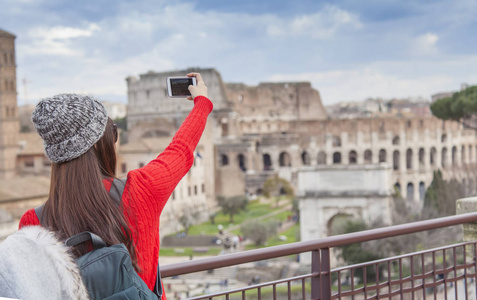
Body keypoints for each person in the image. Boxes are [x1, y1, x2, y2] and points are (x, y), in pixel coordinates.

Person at [18, 73, 213, 300]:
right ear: (103, 144)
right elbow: (181, 149)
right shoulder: (141, 190)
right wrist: (202, 102)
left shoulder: (32, 223)